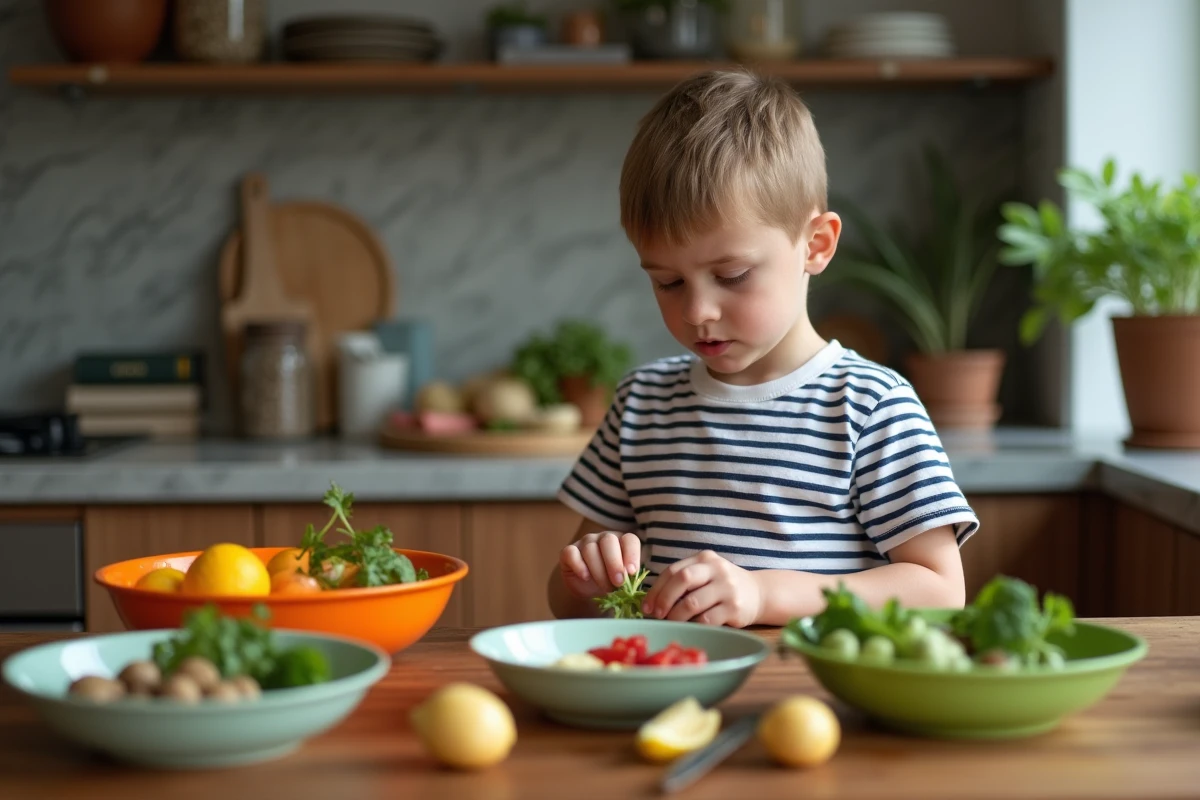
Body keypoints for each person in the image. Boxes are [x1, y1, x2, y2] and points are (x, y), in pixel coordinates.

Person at [545, 69, 978, 628]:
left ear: (815, 245)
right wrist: (585, 582)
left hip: (808, 705)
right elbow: (565, 604)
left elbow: (940, 589)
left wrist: (766, 596)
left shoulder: (871, 406)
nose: (696, 310)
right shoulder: (642, 404)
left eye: (732, 274)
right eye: (668, 282)